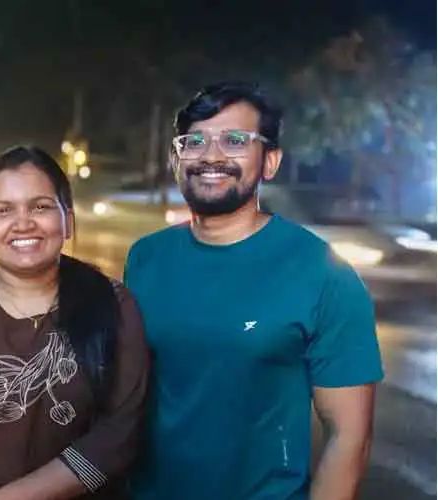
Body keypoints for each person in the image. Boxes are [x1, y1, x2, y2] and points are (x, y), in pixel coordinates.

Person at [124, 81, 384, 499]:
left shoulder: (323, 273)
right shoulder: (146, 258)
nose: (211, 156)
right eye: (195, 142)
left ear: (270, 162)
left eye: (234, 141)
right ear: (176, 159)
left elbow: (349, 438)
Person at [0, 146, 150, 499]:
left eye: (40, 207)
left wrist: (0, 499)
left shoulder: (112, 303)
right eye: (3, 210)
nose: (23, 223)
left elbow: (118, 436)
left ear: (68, 221)